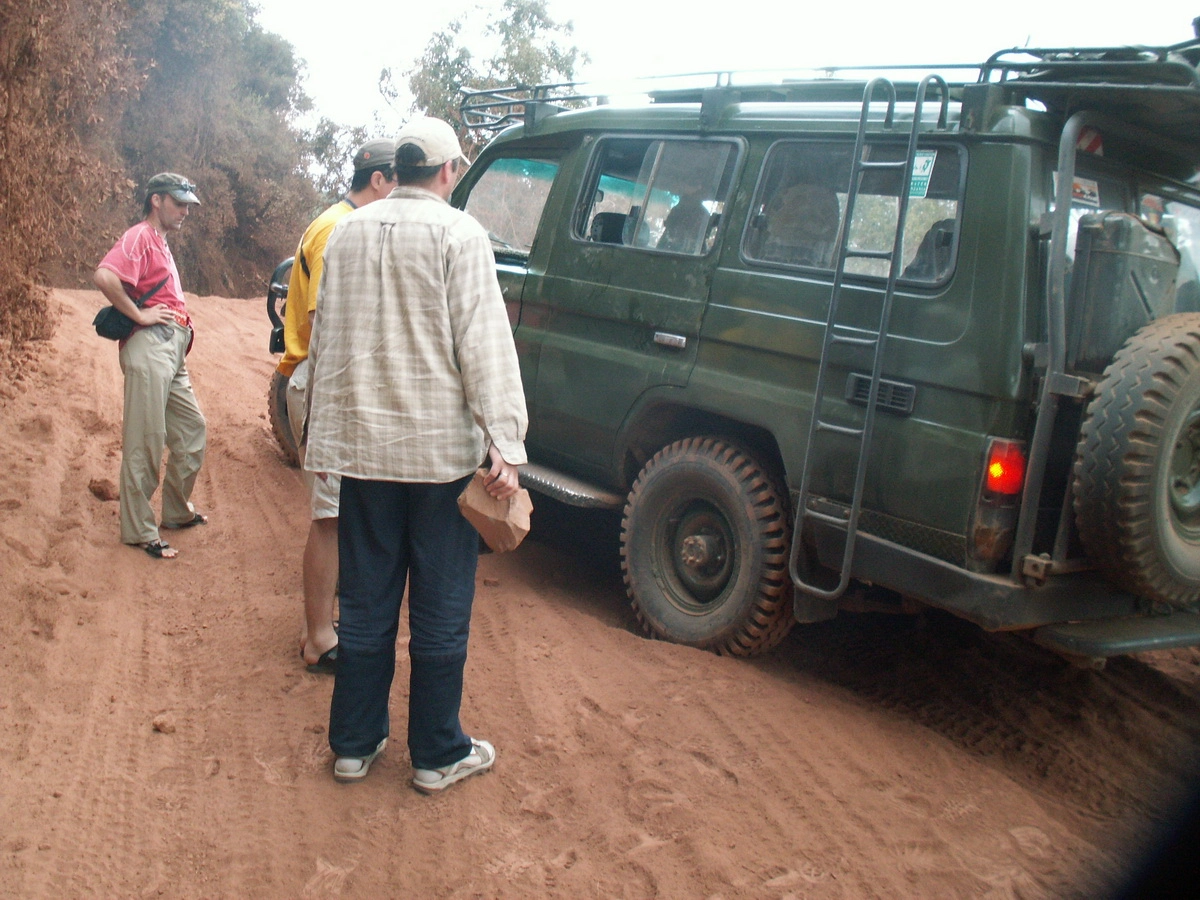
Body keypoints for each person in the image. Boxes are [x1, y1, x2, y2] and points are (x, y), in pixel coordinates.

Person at [304, 117, 528, 793]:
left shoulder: (347, 233)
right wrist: (506, 440)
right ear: (449, 171)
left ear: (396, 170)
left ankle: (353, 744)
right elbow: (484, 345)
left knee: (366, 601)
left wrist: (322, 436)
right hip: (441, 464)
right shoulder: (460, 235)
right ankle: (435, 754)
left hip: (365, 457)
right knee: (440, 606)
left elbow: (328, 341)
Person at [276, 138, 397, 674]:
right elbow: (325, 323)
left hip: (326, 379)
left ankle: (322, 627)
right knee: (330, 516)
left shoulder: (341, 222)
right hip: (323, 380)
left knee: (339, 513)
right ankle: (319, 638)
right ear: (379, 180)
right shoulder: (337, 229)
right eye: (398, 182)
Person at [94, 173, 206, 560]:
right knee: (146, 438)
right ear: (156, 200)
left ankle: (176, 511)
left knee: (192, 430)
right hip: (150, 345)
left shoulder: (160, 241)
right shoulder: (140, 235)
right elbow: (104, 276)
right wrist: (139, 315)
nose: (185, 210)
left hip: (171, 348)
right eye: (179, 202)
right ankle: (140, 530)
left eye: (188, 204)